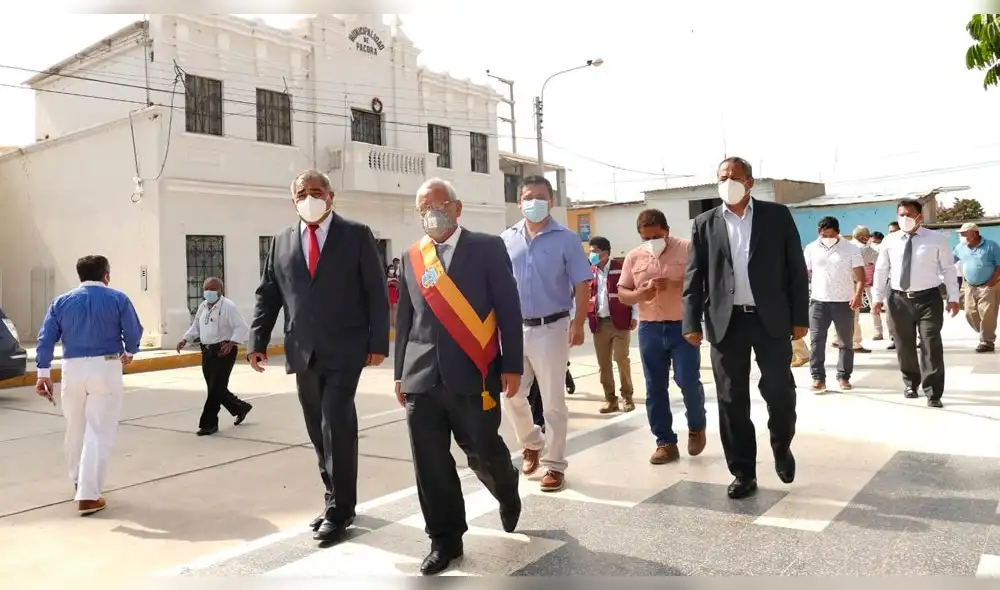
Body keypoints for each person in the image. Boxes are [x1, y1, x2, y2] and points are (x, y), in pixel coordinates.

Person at [249, 169, 390, 543]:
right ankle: (333, 498)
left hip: (346, 348)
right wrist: (257, 340)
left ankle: (341, 510)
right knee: (316, 428)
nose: (309, 198)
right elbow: (269, 294)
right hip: (302, 350)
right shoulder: (281, 241)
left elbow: (375, 292)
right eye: (302, 192)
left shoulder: (356, 235)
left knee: (335, 424)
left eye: (316, 191)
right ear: (292, 199)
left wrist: (379, 343)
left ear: (331, 196)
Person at [394, 178, 523, 575]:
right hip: (421, 378)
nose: (430, 213)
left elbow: (508, 307)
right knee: (430, 464)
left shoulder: (486, 247)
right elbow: (405, 319)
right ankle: (444, 539)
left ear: (457, 208)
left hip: (475, 372)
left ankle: (506, 484)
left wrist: (512, 364)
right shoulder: (412, 256)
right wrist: (400, 372)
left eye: (438, 205)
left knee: (482, 449)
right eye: (423, 208)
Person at [682, 157, 809, 500]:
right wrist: (691, 321)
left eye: (734, 177)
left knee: (780, 392)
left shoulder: (776, 216)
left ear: (749, 182)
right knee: (730, 399)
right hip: (726, 323)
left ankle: (782, 447)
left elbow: (796, 268)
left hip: (771, 320)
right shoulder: (704, 223)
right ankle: (743, 472)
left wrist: (800, 318)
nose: (727, 182)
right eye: (722, 177)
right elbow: (694, 276)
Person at [500, 175, 592, 493]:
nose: (533, 203)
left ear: (551, 202)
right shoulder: (506, 239)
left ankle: (554, 465)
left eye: (540, 197)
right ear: (519, 202)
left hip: (552, 327)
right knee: (510, 394)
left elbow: (582, 283)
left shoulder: (566, 239)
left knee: (553, 402)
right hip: (512, 329)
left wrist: (579, 322)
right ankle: (532, 441)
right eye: (528, 197)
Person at [34, 255, 143, 516]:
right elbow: (133, 332)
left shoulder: (61, 302)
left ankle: (78, 479)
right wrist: (130, 351)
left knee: (76, 427)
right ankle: (88, 494)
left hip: (72, 368)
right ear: (106, 274)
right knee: (99, 430)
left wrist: (42, 372)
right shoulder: (118, 298)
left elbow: (46, 338)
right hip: (105, 367)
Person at [618, 209, 707, 464]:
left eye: (656, 235)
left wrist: (675, 285)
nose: (652, 240)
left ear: (666, 230)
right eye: (647, 237)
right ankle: (665, 442)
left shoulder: (687, 249)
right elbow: (623, 292)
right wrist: (640, 294)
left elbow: (703, 284)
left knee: (687, 380)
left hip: (683, 326)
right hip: (650, 328)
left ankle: (696, 426)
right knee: (655, 386)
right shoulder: (634, 257)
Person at [872, 199, 959, 408]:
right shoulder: (890, 241)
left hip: (928, 298)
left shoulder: (936, 239)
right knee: (904, 345)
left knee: (931, 344)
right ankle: (911, 383)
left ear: (920, 216)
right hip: (898, 299)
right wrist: (877, 297)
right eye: (901, 214)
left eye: (909, 214)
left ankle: (933, 392)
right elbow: (881, 270)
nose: (904, 218)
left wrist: (954, 297)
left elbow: (948, 269)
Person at [176, 277, 253, 436]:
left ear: (220, 291)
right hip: (207, 351)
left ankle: (208, 423)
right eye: (206, 289)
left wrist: (231, 343)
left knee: (214, 389)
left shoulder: (228, 307)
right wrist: (185, 339)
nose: (209, 293)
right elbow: (196, 327)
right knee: (215, 387)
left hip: (223, 351)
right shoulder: (203, 306)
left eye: (212, 289)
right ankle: (240, 407)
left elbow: (241, 327)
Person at [803, 217, 865, 392]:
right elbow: (803, 273)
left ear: (838, 232)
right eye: (824, 234)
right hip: (818, 302)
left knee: (845, 342)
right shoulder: (811, 248)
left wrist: (858, 295)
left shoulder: (850, 249)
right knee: (816, 341)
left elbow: (860, 276)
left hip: (843, 302)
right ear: (818, 232)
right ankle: (818, 378)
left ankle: (844, 377)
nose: (827, 237)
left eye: (831, 234)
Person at [587, 236, 638, 413]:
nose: (591, 254)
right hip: (599, 323)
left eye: (594, 251)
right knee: (604, 364)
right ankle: (610, 399)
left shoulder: (621, 268)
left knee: (621, 359)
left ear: (605, 253)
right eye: (590, 250)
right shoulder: (589, 271)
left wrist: (635, 315)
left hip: (619, 322)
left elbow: (633, 291)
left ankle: (627, 397)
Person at [952, 222, 1000, 353]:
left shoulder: (991, 245)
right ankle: (985, 331)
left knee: (987, 313)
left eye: (964, 233)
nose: (961, 236)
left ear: (974, 233)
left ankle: (987, 341)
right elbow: (950, 261)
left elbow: (999, 265)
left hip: (989, 285)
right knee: (969, 312)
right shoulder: (960, 247)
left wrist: (992, 281)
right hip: (970, 285)